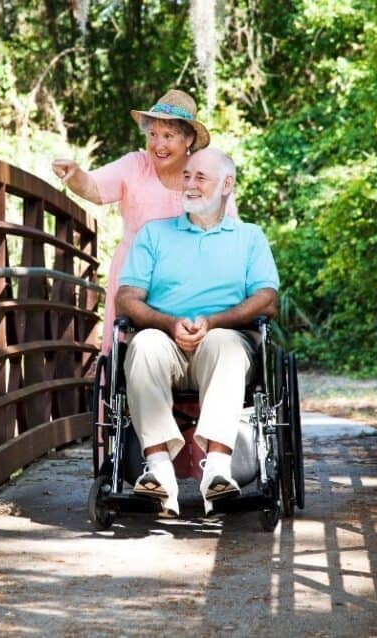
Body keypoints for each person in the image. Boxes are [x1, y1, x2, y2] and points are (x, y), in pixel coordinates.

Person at [114, 147, 279, 517]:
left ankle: (217, 471)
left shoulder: (249, 237)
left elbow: (267, 300)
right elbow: (126, 299)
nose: (189, 183)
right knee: (142, 344)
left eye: (200, 177)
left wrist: (214, 322)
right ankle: (159, 473)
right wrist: (168, 323)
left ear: (227, 185)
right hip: (165, 340)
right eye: (186, 176)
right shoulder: (154, 235)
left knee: (223, 343)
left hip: (225, 339)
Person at [52, 89, 238, 353]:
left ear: (188, 139)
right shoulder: (135, 165)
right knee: (130, 354)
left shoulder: (205, 172)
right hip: (134, 278)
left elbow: (230, 230)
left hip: (190, 281)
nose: (158, 145)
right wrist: (75, 175)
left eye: (168, 136)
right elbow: (94, 187)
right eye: (153, 134)